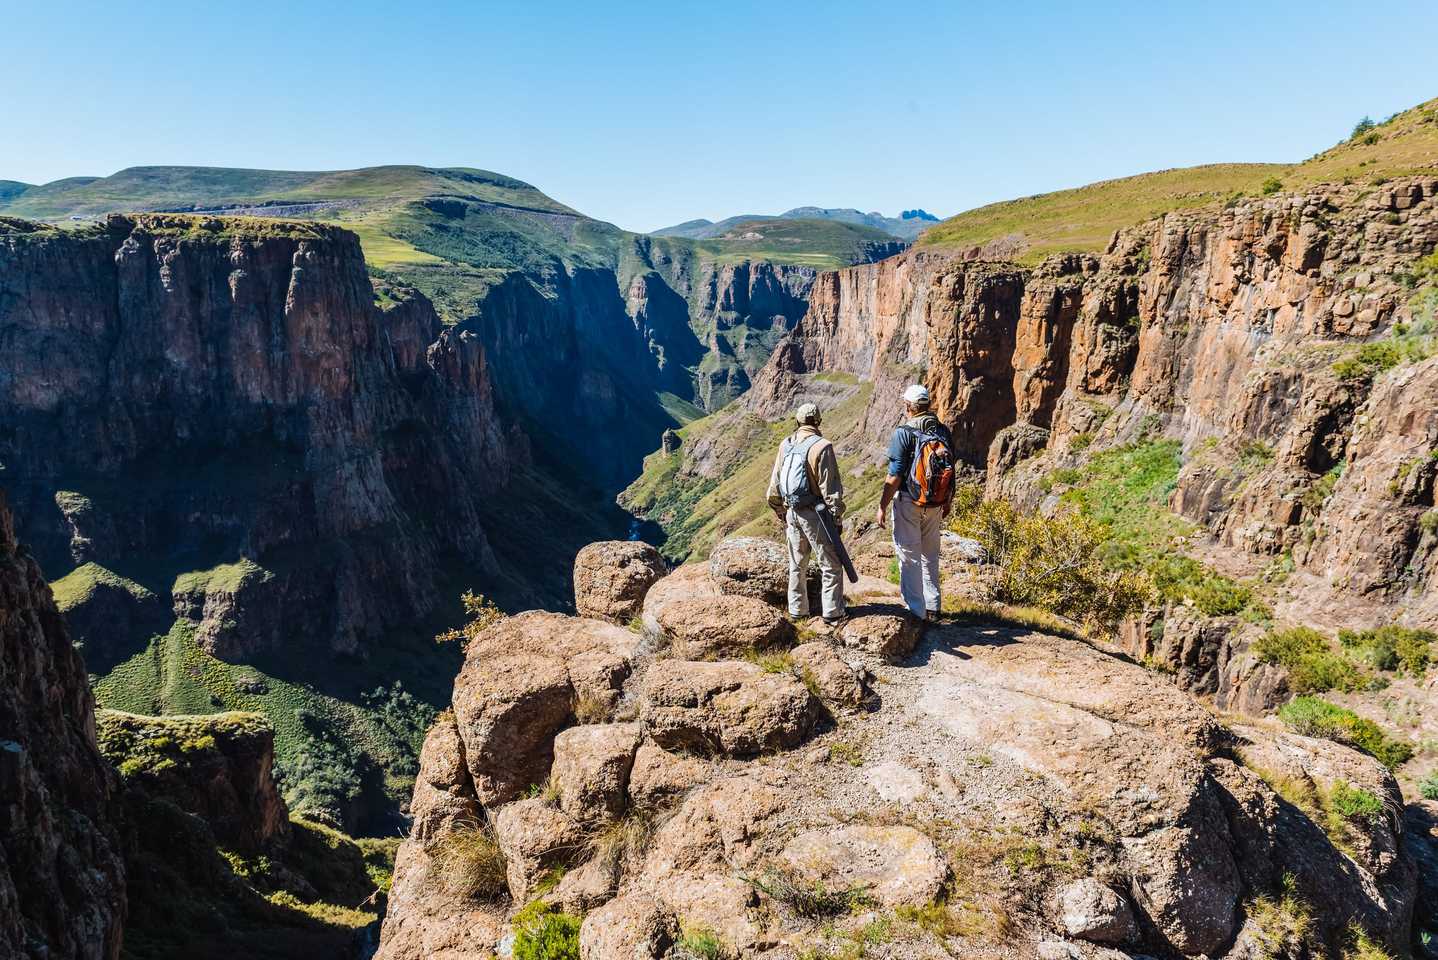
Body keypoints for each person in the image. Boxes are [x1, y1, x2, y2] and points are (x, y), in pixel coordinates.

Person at [874, 384, 953, 621]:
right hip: (936, 503)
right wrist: (947, 500)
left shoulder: (904, 432)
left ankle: (916, 613)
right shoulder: (942, 430)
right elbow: (952, 468)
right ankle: (933, 608)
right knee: (930, 555)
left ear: (909, 407)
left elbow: (895, 474)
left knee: (909, 555)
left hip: (910, 501)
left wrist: (882, 505)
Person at [766, 402, 847, 624]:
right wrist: (836, 518)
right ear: (818, 422)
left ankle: (797, 611)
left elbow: (774, 484)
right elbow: (830, 490)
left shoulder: (786, 444)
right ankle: (833, 612)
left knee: (797, 563)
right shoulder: (822, 446)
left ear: (798, 422)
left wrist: (780, 510)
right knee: (830, 563)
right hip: (815, 515)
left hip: (792, 511)